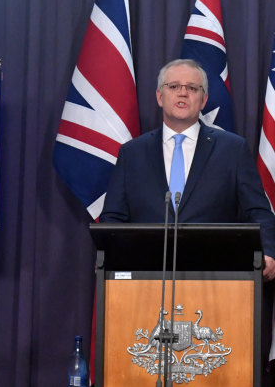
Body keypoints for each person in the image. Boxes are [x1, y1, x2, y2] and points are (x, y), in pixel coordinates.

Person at [100, 58, 275, 281]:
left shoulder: (232, 149)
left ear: (203, 100)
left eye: (192, 88)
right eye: (173, 86)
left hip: (216, 278)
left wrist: (268, 251)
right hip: (146, 278)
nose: (183, 93)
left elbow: (258, 211)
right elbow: (113, 217)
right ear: (159, 97)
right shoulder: (132, 153)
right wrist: (109, 256)